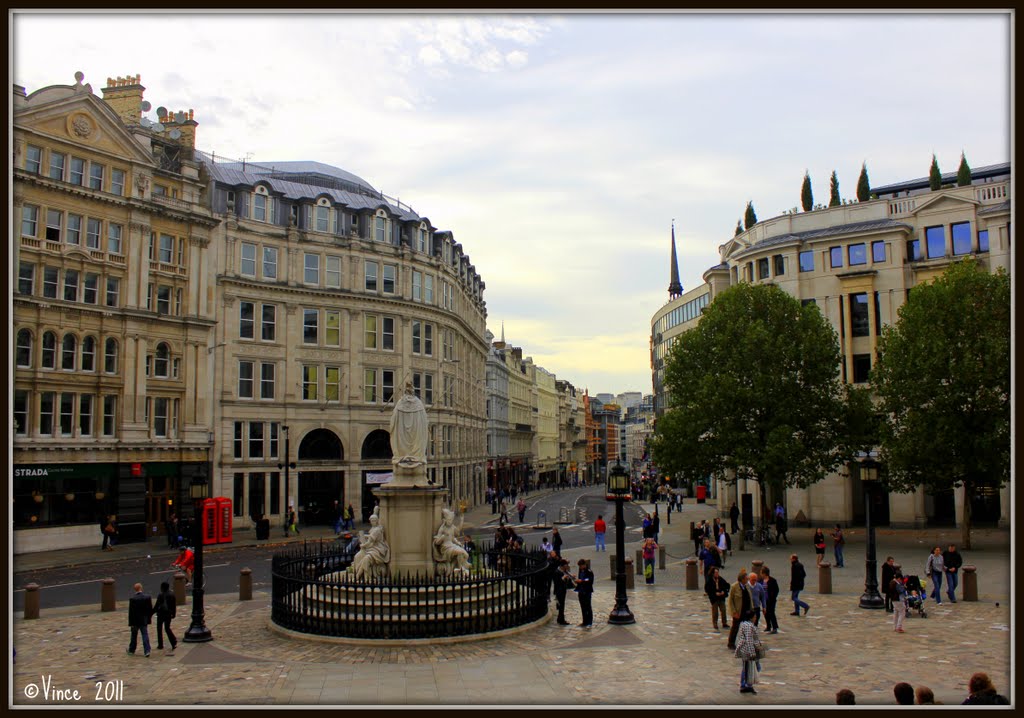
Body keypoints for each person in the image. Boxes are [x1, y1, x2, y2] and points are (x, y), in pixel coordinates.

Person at [389, 379, 428, 468]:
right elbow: (424, 422)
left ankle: (402, 454)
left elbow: (393, 421)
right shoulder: (419, 404)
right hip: (416, 438)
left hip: (402, 438)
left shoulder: (400, 403)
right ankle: (415, 455)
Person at [351, 507, 390, 579]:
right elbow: (370, 537)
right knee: (357, 556)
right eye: (371, 521)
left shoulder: (377, 530)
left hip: (378, 549)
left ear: (377, 521)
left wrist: (363, 545)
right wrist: (365, 536)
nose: (372, 522)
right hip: (372, 548)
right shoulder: (374, 528)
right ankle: (358, 575)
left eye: (374, 520)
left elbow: (369, 542)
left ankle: (360, 576)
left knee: (366, 559)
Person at [734, 609, 763, 695]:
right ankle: (746, 684)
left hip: (746, 649)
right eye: (754, 617)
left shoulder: (744, 624)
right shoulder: (748, 626)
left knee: (747, 667)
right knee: (753, 667)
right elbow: (749, 640)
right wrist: (752, 653)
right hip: (747, 650)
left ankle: (746, 684)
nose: (755, 618)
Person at [126, 582, 154, 658]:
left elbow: (131, 612)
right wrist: (148, 619)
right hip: (143, 619)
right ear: (141, 588)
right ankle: (147, 650)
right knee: (145, 635)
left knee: (134, 636)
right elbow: (150, 610)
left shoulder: (133, 599)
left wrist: (130, 623)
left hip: (135, 620)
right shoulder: (147, 597)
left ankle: (132, 649)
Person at [726, 567, 752, 650]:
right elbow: (730, 601)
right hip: (738, 611)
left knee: (747, 627)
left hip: (746, 610)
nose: (747, 579)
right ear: (742, 579)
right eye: (746, 578)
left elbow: (750, 598)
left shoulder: (747, 586)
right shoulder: (734, 587)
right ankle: (731, 643)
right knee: (735, 627)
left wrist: (752, 610)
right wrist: (734, 612)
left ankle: (745, 643)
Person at [154, 581, 177, 652]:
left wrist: (151, 613)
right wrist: (173, 614)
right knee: (167, 628)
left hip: (161, 614)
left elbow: (156, 606)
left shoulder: (160, 595)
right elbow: (174, 606)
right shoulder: (172, 595)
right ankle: (173, 641)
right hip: (168, 614)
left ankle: (160, 644)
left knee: (159, 629)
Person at [705, 566, 730, 630]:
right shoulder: (710, 580)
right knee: (715, 612)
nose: (717, 574)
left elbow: (726, 585)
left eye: (717, 572)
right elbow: (708, 589)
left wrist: (723, 592)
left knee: (723, 610)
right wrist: (714, 593)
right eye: (715, 572)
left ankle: (724, 623)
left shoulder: (720, 579)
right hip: (714, 598)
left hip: (721, 597)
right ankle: (715, 623)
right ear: (713, 573)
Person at [553, 558, 574, 625]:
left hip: (563, 589)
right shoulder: (557, 572)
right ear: (562, 566)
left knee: (562, 604)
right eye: (566, 565)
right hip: (559, 590)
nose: (567, 567)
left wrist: (570, 577)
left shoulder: (564, 571)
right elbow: (557, 582)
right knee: (560, 605)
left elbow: (568, 577)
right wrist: (563, 578)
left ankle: (560, 618)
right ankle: (561, 619)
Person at [574, 558, 594, 627]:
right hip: (581, 591)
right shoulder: (580, 570)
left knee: (588, 606)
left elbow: (589, 580)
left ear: (584, 565)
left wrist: (581, 581)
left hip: (587, 591)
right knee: (583, 607)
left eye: (581, 566)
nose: (580, 567)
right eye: (579, 566)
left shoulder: (589, 571)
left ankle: (589, 622)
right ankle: (584, 621)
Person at [760, 566, 780, 634]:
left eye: (761, 573)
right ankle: (768, 626)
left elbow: (776, 590)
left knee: (771, 612)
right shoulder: (761, 581)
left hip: (771, 600)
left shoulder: (772, 580)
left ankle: (775, 627)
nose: (760, 574)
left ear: (764, 573)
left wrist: (773, 597)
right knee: (765, 613)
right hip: (764, 600)